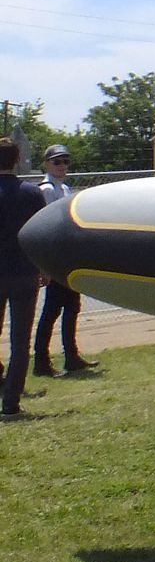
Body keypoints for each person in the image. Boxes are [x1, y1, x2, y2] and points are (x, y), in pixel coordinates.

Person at [33, 145, 93, 375]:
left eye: (65, 161)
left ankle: (71, 355)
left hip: (66, 257)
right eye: (57, 162)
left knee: (71, 307)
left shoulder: (65, 188)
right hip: (54, 257)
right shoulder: (47, 189)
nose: (62, 166)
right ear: (47, 164)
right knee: (52, 310)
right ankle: (41, 361)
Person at [0, 137, 47, 418]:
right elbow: (40, 236)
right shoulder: (32, 194)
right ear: (17, 160)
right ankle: (11, 404)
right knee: (20, 341)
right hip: (24, 273)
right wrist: (45, 268)